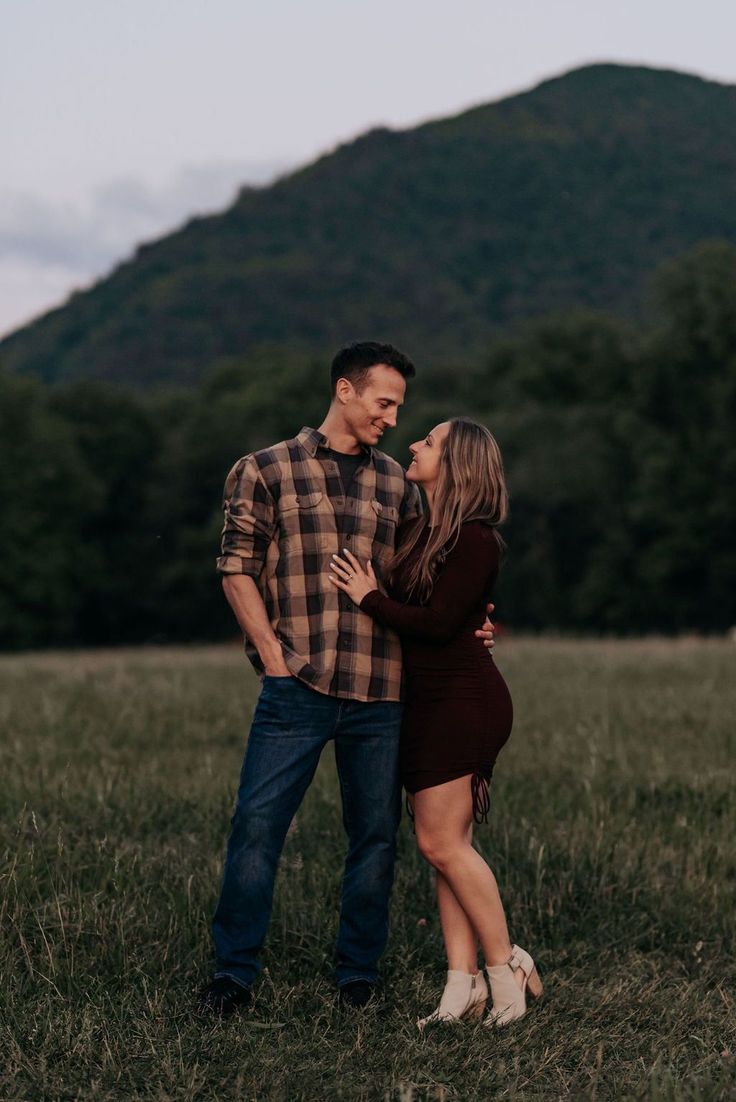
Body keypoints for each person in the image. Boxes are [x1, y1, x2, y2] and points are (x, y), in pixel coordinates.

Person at [198, 343, 495, 1016]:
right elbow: (236, 567)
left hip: (381, 692)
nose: (391, 418)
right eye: (384, 403)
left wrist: (470, 623)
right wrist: (272, 657)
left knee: (375, 839)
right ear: (345, 391)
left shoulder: (398, 485)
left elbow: (433, 577)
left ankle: (357, 975)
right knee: (257, 828)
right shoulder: (264, 469)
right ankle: (233, 976)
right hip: (293, 685)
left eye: (399, 408)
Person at [329, 416, 542, 1028]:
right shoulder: (425, 531)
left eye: (429, 441)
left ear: (457, 465)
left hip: (463, 704)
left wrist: (369, 597)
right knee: (446, 850)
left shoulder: (475, 538)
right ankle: (460, 984)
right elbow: (445, 614)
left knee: (439, 843)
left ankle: (507, 975)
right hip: (427, 705)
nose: (414, 445)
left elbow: (441, 624)